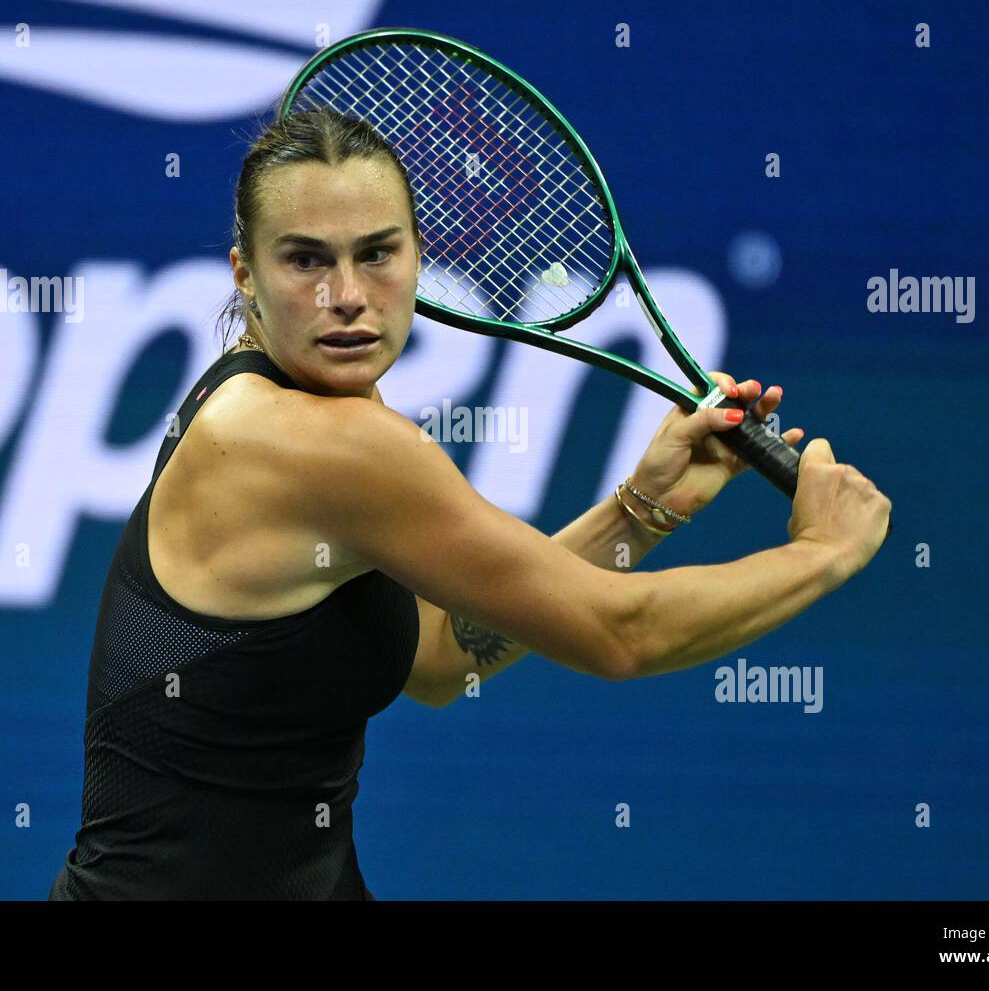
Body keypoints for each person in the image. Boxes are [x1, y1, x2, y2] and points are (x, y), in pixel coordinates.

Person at [48, 109, 890, 901]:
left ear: (421, 254)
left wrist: (641, 509)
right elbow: (620, 634)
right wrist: (821, 550)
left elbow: (445, 656)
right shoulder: (311, 442)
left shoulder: (305, 407)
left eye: (378, 252)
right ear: (247, 273)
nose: (347, 294)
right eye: (305, 260)